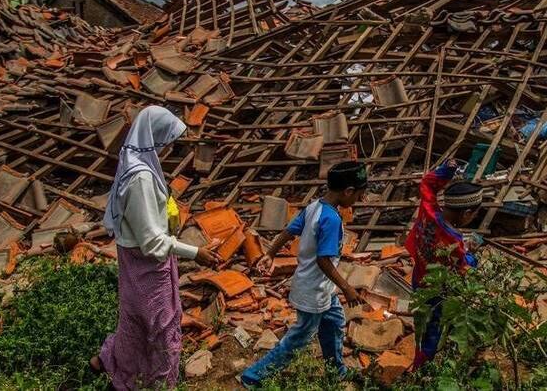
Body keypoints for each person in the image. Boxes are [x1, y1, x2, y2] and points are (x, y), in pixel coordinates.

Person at [90, 106, 219, 390]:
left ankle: (111, 365)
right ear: (154, 135)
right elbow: (151, 241)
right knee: (159, 329)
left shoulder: (137, 161)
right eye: (168, 139)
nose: (171, 147)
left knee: (135, 324)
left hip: (137, 262)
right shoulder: (141, 177)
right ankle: (156, 383)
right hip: (146, 266)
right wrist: (197, 253)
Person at [240, 161, 368, 388]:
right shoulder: (331, 219)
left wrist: (270, 253)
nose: (359, 200)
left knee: (335, 322)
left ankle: (336, 370)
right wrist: (347, 288)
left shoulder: (314, 207)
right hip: (313, 290)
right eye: (358, 195)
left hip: (319, 288)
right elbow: (323, 260)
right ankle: (254, 377)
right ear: (348, 191)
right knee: (299, 338)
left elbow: (289, 231)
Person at [405, 159, 484, 368]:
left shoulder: (429, 210)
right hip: (436, 292)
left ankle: (421, 359)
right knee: (432, 334)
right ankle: (422, 369)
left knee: (422, 326)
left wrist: (447, 171)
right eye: (474, 214)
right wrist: (473, 255)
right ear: (467, 213)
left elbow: (427, 183)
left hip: (419, 276)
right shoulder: (453, 242)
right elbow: (464, 269)